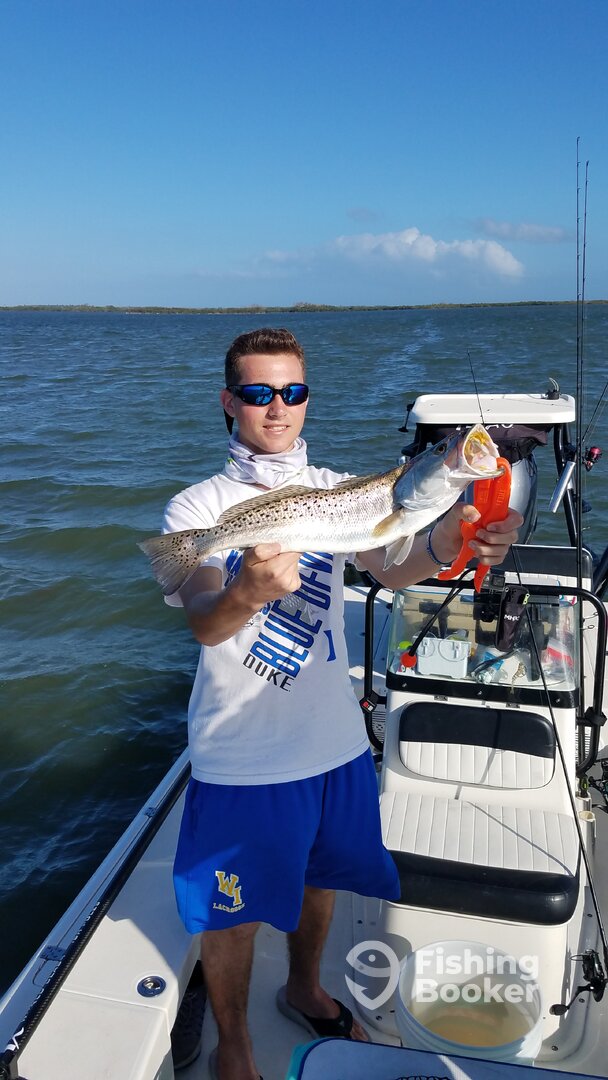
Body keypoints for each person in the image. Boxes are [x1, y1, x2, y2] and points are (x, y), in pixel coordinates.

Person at [160, 328, 522, 1080]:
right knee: (232, 912)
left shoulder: (337, 486)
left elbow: (395, 567)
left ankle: (302, 984)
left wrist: (466, 541)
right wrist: (244, 591)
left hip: (333, 743)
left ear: (306, 399)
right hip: (243, 752)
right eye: (259, 393)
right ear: (230, 402)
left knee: (321, 875)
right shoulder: (199, 508)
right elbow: (203, 622)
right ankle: (234, 1042)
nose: (277, 408)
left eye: (291, 392)